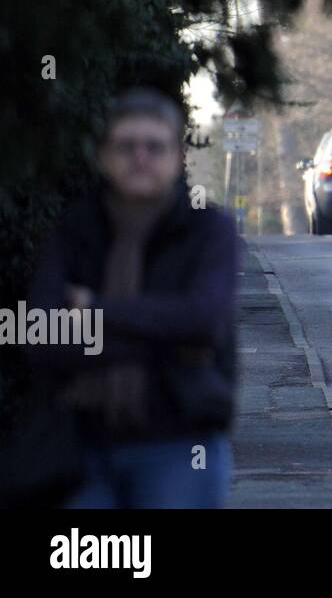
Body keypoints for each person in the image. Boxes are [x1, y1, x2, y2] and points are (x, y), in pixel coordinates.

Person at [29, 87, 239, 507]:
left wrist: (91, 308)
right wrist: (166, 339)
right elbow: (41, 334)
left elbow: (203, 320)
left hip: (180, 445)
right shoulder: (76, 231)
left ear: (178, 156)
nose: (140, 157)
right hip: (80, 447)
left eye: (154, 146)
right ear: (103, 155)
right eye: (126, 146)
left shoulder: (208, 231)